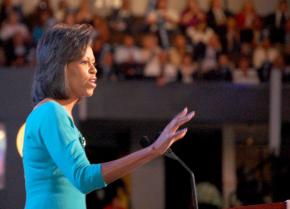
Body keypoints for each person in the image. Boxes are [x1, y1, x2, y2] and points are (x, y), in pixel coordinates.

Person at [22, 24, 195, 209]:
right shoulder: (51, 111)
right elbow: (84, 177)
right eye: (84, 62)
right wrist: (153, 150)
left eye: (94, 63)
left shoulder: (54, 113)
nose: (94, 70)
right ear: (60, 66)